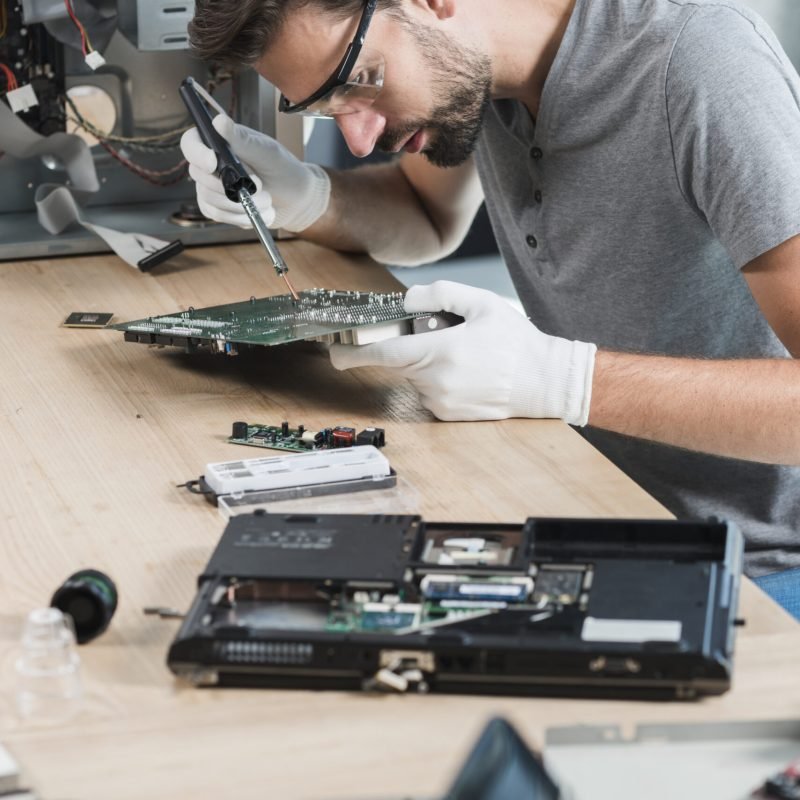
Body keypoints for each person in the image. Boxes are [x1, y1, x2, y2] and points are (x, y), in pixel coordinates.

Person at [180, 0, 800, 616]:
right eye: (326, 107)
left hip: (758, 567)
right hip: (588, 509)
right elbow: (426, 215)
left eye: (358, 80)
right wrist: (309, 197)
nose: (361, 139)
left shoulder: (701, 63)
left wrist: (559, 378)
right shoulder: (484, 74)